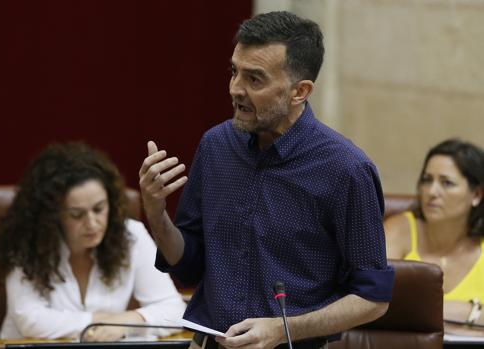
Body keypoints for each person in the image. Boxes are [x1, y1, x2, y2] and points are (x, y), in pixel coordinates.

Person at [138, 11, 394, 349]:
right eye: (234, 72)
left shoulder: (346, 170)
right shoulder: (216, 146)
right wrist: (156, 214)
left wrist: (283, 330)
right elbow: (187, 266)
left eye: (254, 79)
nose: (235, 90)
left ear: (299, 91)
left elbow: (372, 299)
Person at [0, 142, 186, 341]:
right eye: (76, 215)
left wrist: (131, 319)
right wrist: (100, 321)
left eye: (99, 208)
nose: (92, 223)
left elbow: (174, 309)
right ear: (51, 214)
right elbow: (30, 320)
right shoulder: (27, 241)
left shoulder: (131, 235)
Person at [385, 139, 484, 336]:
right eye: (426, 180)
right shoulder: (400, 230)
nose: (431, 192)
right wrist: (470, 315)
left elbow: (406, 312)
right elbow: (372, 300)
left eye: (446, 183)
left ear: (476, 194)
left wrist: (424, 313)